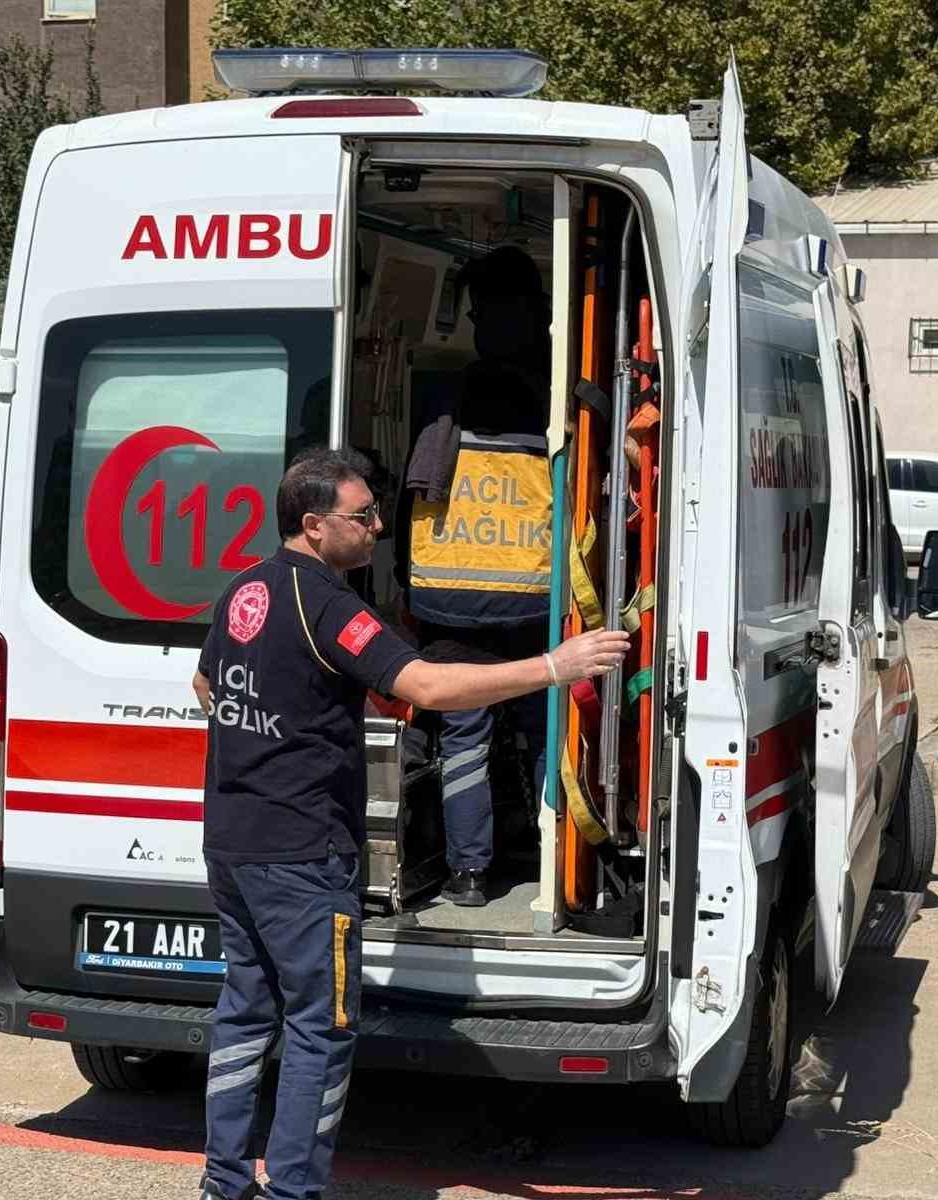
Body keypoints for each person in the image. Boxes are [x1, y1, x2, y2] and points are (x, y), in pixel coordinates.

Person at [193, 447, 626, 1200]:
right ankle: (293, 1191)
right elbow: (427, 685)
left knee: (241, 1017)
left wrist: (284, 726)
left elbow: (206, 683)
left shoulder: (246, 589)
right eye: (361, 517)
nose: (376, 528)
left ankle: (223, 1183)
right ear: (313, 524)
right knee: (319, 1034)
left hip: (233, 842)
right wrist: (555, 667)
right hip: (302, 853)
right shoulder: (329, 605)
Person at [399, 245, 555, 907]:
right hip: (532, 597)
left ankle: (467, 875)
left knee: (465, 735)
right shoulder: (561, 387)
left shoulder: (451, 394)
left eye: (480, 310)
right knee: (548, 724)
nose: (477, 323)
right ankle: (554, 859)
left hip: (449, 597)